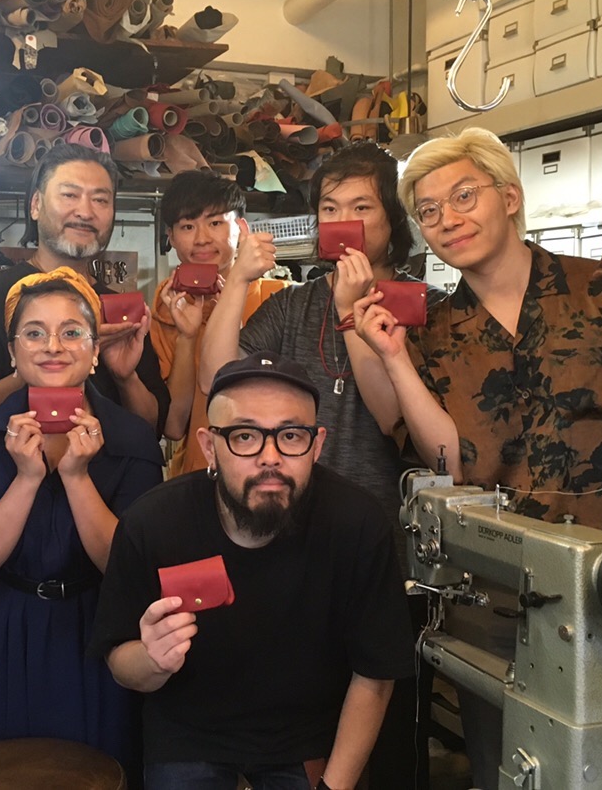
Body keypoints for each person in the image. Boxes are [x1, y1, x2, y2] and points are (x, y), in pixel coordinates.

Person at [357, 126, 602, 790]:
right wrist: (394, 359)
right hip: (494, 601)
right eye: (428, 212)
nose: (447, 220)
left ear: (510, 196)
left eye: (464, 197)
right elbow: (447, 463)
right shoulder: (434, 331)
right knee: (508, 769)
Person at [198, 141, 438, 787]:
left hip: (378, 545)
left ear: (392, 220)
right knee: (296, 718)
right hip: (289, 540)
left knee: (379, 718)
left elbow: (392, 421)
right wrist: (239, 280)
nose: (346, 221)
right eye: (331, 207)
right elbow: (217, 381)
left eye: (362, 207)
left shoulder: (419, 303)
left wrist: (355, 315)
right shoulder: (291, 305)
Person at [90, 353, 411, 790]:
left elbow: (376, 675)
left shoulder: (356, 523)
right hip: (189, 736)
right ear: (209, 447)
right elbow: (118, 661)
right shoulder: (154, 523)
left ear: (316, 445)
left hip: (306, 738)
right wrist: (152, 660)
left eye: (290, 435)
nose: (270, 457)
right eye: (244, 436)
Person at [0, 268, 162, 769]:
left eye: (72, 331)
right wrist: (26, 479)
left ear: (96, 349)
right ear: (13, 353)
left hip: (100, 627)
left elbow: (132, 569)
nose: (52, 346)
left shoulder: (132, 437)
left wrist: (78, 477)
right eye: (33, 333)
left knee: (101, 768)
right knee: (5, 771)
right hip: (6, 627)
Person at [0, 143, 169, 434]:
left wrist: (124, 377)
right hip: (10, 476)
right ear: (36, 205)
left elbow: (152, 428)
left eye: (101, 200)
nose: (85, 211)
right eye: (69, 195)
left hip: (109, 479)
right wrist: (35, 366)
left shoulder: (120, 311)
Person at [149, 170, 287, 477]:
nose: (201, 239)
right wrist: (186, 338)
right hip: (198, 473)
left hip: (270, 471)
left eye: (215, 223)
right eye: (187, 226)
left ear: (241, 228)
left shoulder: (277, 299)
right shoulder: (165, 307)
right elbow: (173, 425)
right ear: (170, 237)